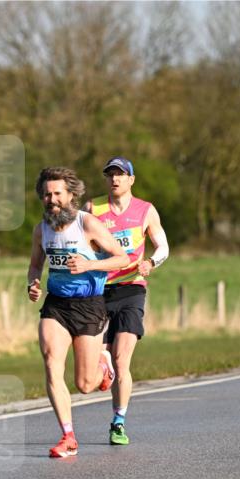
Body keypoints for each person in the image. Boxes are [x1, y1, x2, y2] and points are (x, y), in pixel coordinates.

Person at [27, 167, 129, 458]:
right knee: (50, 361)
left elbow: (120, 258)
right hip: (56, 305)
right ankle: (68, 436)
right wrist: (32, 283)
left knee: (85, 385)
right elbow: (36, 265)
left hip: (89, 305)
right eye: (46, 194)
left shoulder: (87, 224)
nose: (51, 199)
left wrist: (89, 265)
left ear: (71, 195)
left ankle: (103, 366)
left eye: (57, 193)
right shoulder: (41, 229)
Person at [87, 157, 169, 446]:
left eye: (121, 174)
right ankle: (104, 368)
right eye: (110, 174)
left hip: (132, 289)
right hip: (98, 290)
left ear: (131, 180)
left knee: (122, 360)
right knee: (93, 368)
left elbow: (163, 246)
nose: (115, 179)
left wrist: (150, 263)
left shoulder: (145, 211)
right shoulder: (92, 208)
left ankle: (118, 422)